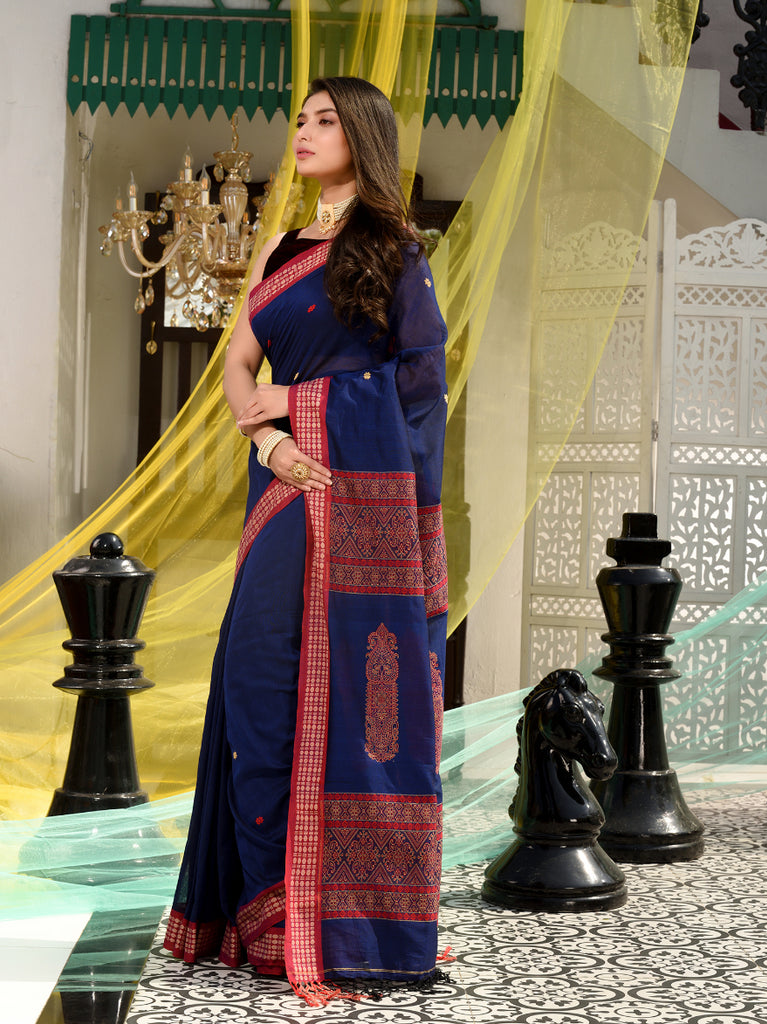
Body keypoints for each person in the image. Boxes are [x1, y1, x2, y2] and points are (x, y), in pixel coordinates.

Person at [163, 76, 449, 1006]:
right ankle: (265, 910)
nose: (304, 131)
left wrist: (303, 400)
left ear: (362, 135)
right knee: (255, 684)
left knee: (350, 701)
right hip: (284, 488)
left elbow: (419, 385)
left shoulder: (396, 250)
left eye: (325, 120)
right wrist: (272, 441)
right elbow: (238, 368)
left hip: (358, 501)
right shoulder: (281, 252)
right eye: (300, 119)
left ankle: (344, 927)